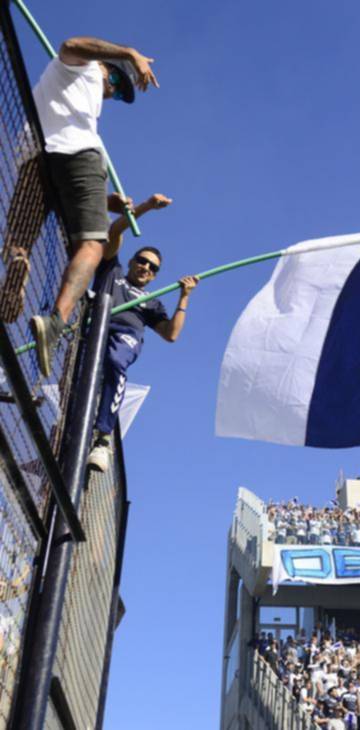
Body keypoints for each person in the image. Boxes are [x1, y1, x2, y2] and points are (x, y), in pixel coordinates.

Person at [0, 36, 158, 378]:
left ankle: (17, 265)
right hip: (80, 155)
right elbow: (72, 43)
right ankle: (55, 323)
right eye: (115, 80)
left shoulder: (74, 97)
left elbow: (67, 191)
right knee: (92, 245)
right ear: (105, 66)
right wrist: (129, 52)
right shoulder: (80, 66)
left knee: (18, 240)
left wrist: (108, 203)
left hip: (35, 158)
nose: (113, 91)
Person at [86, 193, 198, 472]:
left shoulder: (152, 301)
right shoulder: (112, 272)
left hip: (124, 335)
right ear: (133, 260)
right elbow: (115, 230)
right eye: (142, 261)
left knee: (115, 361)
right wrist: (147, 207)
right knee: (78, 383)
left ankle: (102, 439)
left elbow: (171, 334)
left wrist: (184, 297)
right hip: (93, 327)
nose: (146, 267)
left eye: (152, 267)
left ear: (156, 275)